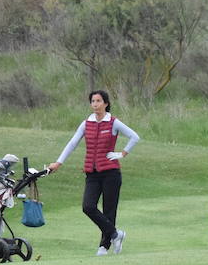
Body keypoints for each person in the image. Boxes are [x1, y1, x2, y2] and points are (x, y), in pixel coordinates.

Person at [47, 90, 140, 256]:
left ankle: (104, 247)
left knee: (109, 210)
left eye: (98, 101)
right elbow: (73, 143)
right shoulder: (86, 123)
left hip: (111, 173)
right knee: (88, 206)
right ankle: (116, 234)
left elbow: (134, 137)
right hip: (92, 173)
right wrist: (59, 162)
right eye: (93, 101)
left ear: (106, 103)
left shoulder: (113, 122)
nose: (95, 104)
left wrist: (122, 153)